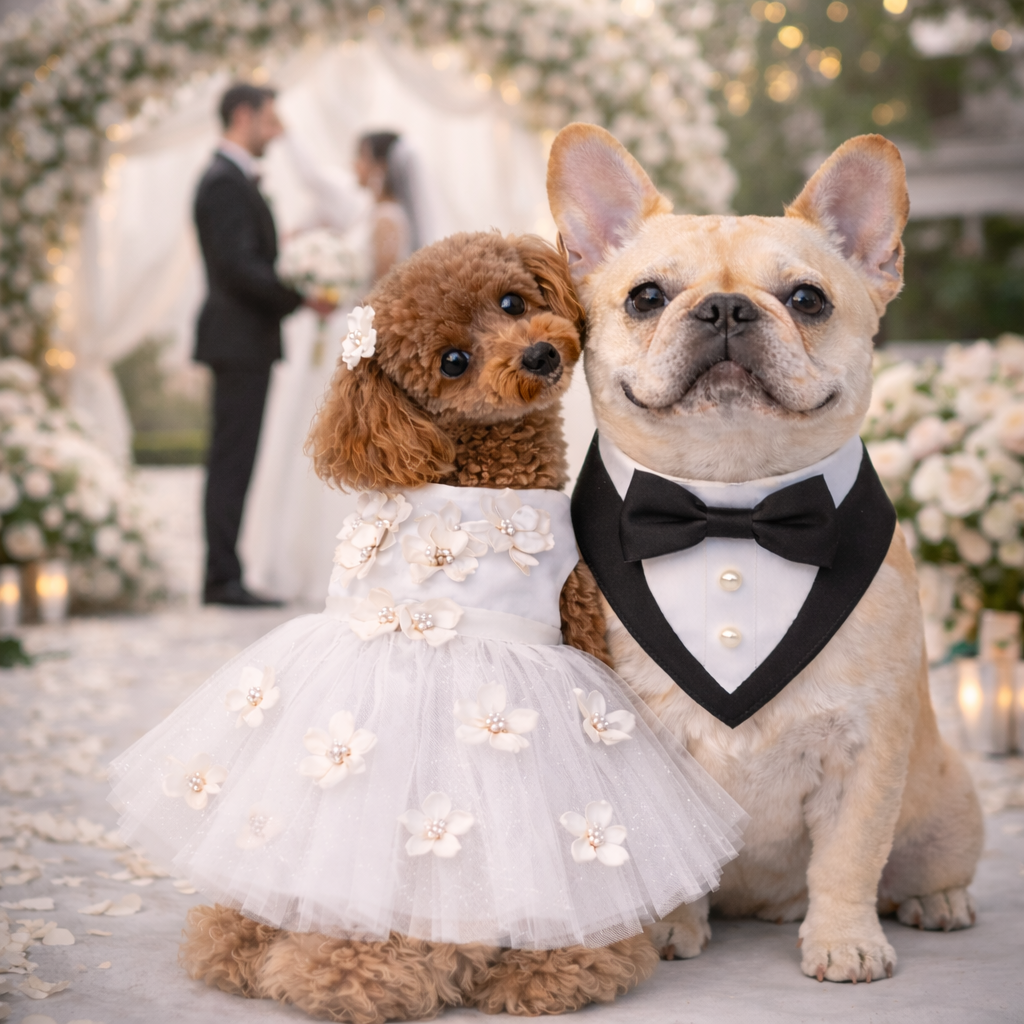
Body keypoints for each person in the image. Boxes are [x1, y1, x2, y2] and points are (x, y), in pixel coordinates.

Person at [193, 83, 334, 607]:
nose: (274, 133)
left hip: (243, 342)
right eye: (269, 120)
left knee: (236, 457)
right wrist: (299, 294)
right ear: (244, 116)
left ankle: (224, 571)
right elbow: (237, 268)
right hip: (237, 341)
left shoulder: (230, 178)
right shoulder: (224, 182)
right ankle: (221, 578)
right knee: (231, 458)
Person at [354, 131, 417, 281]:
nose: (355, 164)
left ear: (380, 167)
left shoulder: (387, 218)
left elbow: (383, 281)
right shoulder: (374, 210)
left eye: (362, 157)